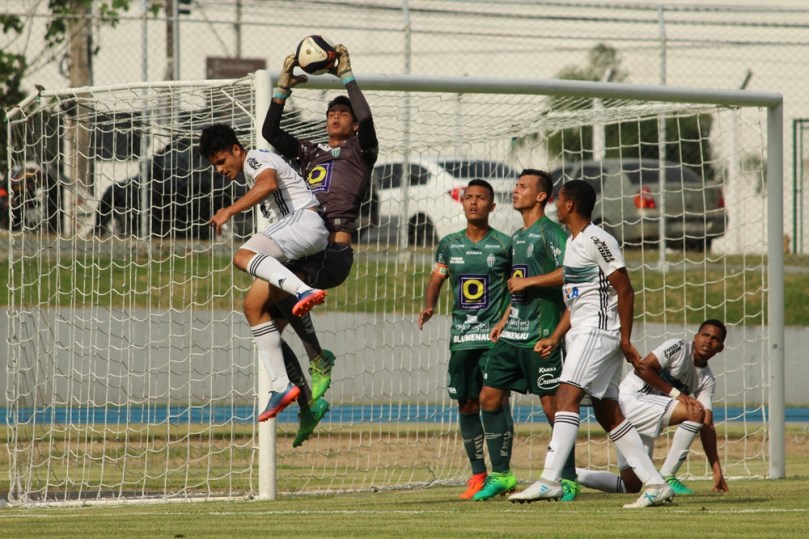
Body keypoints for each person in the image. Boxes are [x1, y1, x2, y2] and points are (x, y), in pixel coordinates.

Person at [508, 179, 675, 508]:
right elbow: (577, 299)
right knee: (608, 413)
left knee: (565, 397)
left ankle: (550, 480)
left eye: (560, 201)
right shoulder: (573, 243)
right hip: (584, 330)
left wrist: (625, 339)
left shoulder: (598, 238)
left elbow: (625, 289)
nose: (556, 206)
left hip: (598, 332)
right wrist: (555, 336)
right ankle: (656, 484)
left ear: (570, 205)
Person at [259, 43, 378, 446]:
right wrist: (283, 85)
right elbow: (270, 133)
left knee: (282, 298)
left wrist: (346, 73)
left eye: (343, 114)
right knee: (265, 322)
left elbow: (367, 117)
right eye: (330, 114)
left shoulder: (361, 154)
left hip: (333, 254)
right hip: (307, 249)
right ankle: (308, 405)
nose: (336, 118)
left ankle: (318, 358)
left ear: (354, 124)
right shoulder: (311, 155)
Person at [198, 124, 329, 423]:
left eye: (221, 162)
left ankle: (303, 293)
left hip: (305, 224)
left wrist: (229, 211)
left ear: (236, 149)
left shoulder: (255, 158)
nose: (219, 170)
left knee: (243, 255)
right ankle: (283, 386)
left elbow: (268, 184)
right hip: (300, 237)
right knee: (253, 307)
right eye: (214, 165)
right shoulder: (250, 170)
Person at [471, 169, 578, 501]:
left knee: (552, 408)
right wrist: (504, 318)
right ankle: (502, 475)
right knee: (488, 398)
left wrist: (530, 283)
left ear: (542, 196)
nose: (515, 191)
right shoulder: (517, 236)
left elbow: (570, 273)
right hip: (512, 335)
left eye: (522, 187)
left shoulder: (551, 232)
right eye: (516, 186)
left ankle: (568, 478)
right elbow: (517, 286)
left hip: (541, 336)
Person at [417, 179, 511, 500]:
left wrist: (504, 320)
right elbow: (436, 277)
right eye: (468, 197)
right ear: (462, 203)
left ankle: (502, 472)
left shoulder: (504, 245)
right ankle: (478, 475)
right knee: (467, 403)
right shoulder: (449, 244)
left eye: (481, 198)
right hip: (462, 339)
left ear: (492, 206)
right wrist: (429, 304)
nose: (473, 202)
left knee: (495, 400)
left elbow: (517, 286)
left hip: (494, 340)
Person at [576, 319, 729, 495]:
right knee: (694, 412)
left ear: (720, 348)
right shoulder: (678, 347)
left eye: (715, 339)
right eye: (705, 335)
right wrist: (678, 395)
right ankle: (667, 475)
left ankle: (569, 474)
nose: (708, 341)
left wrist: (716, 470)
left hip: (646, 414)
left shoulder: (707, 380)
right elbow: (642, 368)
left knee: (631, 486)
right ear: (696, 337)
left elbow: (707, 425)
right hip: (631, 399)